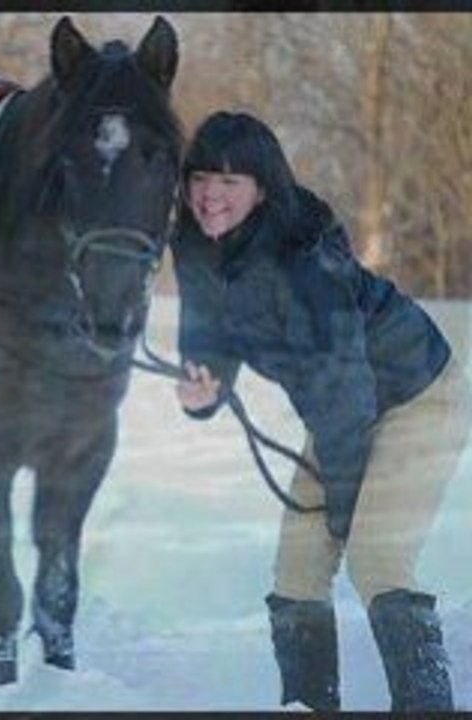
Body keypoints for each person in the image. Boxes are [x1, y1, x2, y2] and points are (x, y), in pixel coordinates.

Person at [170, 110, 472, 711]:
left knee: (374, 555)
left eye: (229, 182)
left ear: (262, 187)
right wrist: (205, 387)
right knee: (297, 570)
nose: (209, 195)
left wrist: (342, 508)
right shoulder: (198, 247)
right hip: (340, 414)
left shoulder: (305, 263)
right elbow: (210, 338)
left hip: (418, 397)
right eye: (201, 177)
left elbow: (345, 393)